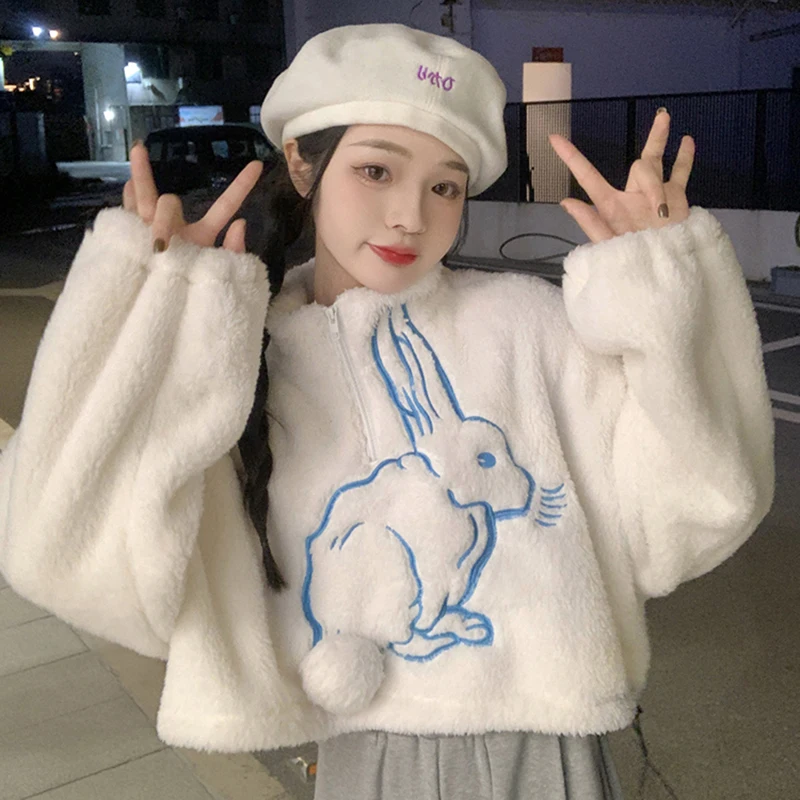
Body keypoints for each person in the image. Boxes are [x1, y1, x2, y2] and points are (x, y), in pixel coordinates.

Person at [0, 23, 774, 800]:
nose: (411, 215)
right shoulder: (236, 354)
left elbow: (698, 508)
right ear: (302, 163)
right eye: (376, 170)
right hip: (362, 764)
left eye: (445, 187)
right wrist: (142, 311)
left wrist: (661, 290)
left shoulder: (527, 327)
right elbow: (63, 555)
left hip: (545, 756)